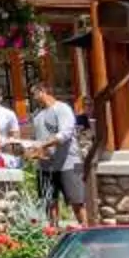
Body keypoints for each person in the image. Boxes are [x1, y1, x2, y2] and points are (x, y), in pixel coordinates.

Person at [22, 83, 86, 221]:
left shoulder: (62, 108)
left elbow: (66, 133)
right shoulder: (37, 115)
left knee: (77, 201)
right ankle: (53, 235)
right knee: (49, 202)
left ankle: (86, 234)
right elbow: (37, 139)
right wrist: (31, 150)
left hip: (70, 163)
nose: (34, 98)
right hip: (45, 166)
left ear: (43, 91)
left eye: (34, 94)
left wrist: (43, 145)